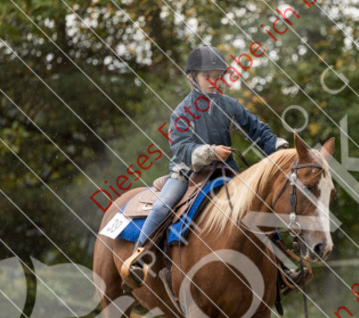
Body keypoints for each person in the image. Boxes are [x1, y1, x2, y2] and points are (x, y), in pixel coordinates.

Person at [120, 44, 287, 292]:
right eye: (207, 76)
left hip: (226, 172)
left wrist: (277, 147)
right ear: (193, 78)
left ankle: (283, 267)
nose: (213, 81)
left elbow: (256, 129)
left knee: (258, 204)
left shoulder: (229, 105)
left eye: (217, 76)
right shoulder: (182, 112)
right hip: (186, 174)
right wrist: (210, 152)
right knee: (163, 206)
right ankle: (139, 258)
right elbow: (181, 147)